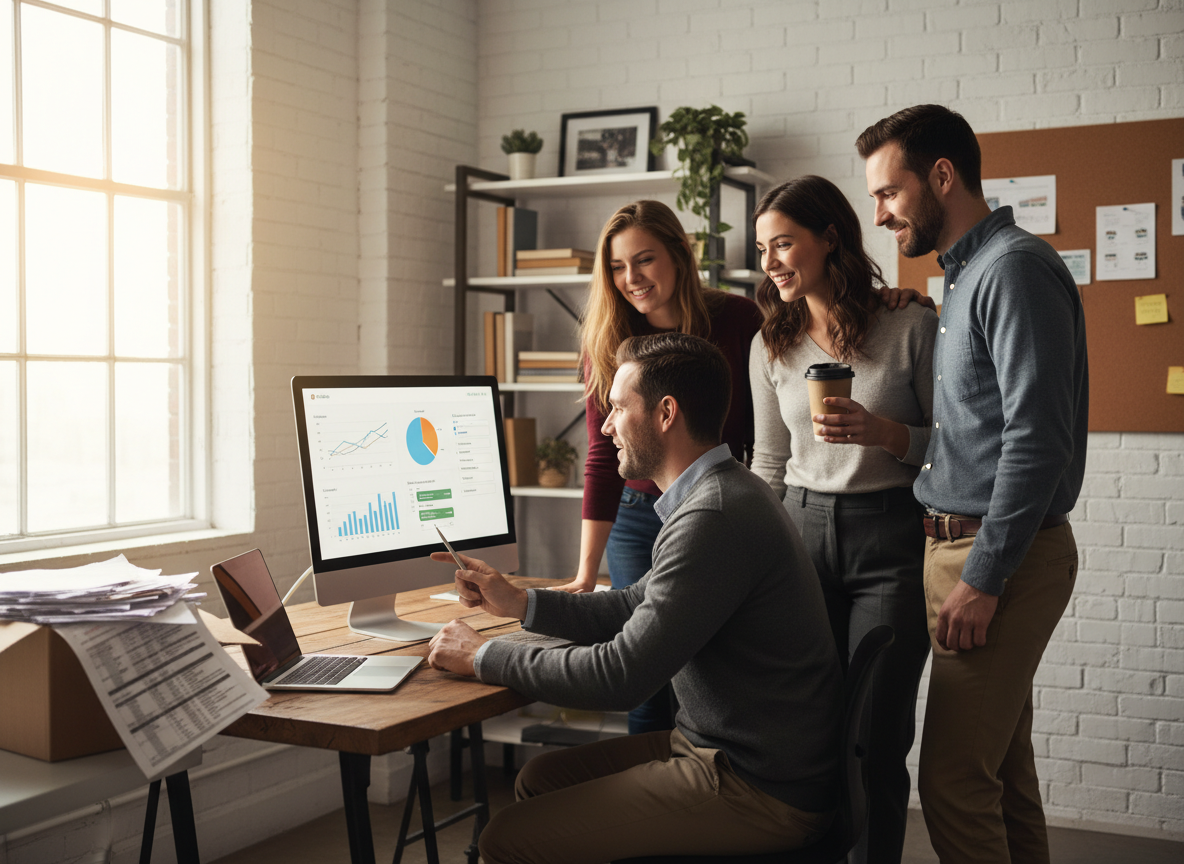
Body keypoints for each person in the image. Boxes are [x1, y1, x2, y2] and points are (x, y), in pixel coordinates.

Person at [427, 333, 843, 864]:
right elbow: (630, 606)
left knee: (504, 840)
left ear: (666, 413)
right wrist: (518, 603)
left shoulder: (713, 517)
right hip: (721, 749)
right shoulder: (718, 489)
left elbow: (620, 676)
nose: (604, 427)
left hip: (756, 785)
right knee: (539, 779)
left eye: (618, 408)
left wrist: (483, 656)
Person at [857, 104, 1088, 864]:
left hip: (996, 559)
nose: (881, 212)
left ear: (942, 176)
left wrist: (984, 577)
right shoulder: (964, 279)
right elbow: (980, 439)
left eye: (889, 193)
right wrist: (896, 438)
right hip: (963, 551)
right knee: (1002, 774)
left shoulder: (1013, 268)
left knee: (953, 783)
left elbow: (1037, 440)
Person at [747, 175, 937, 864]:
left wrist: (888, 434)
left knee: (877, 736)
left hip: (890, 536)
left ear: (831, 238)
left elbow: (957, 448)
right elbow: (769, 464)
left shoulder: (912, 324)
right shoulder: (771, 342)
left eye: (784, 243)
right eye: (763, 248)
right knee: (808, 734)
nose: (770, 261)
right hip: (800, 536)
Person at [556, 199, 763, 737]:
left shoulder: (739, 320)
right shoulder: (605, 342)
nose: (631, 278)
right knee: (646, 678)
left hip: (714, 510)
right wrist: (586, 573)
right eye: (618, 267)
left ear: (679, 254)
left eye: (644, 260)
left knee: (709, 663)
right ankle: (646, 804)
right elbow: (603, 456)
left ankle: (698, 788)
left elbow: (764, 429)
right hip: (636, 516)